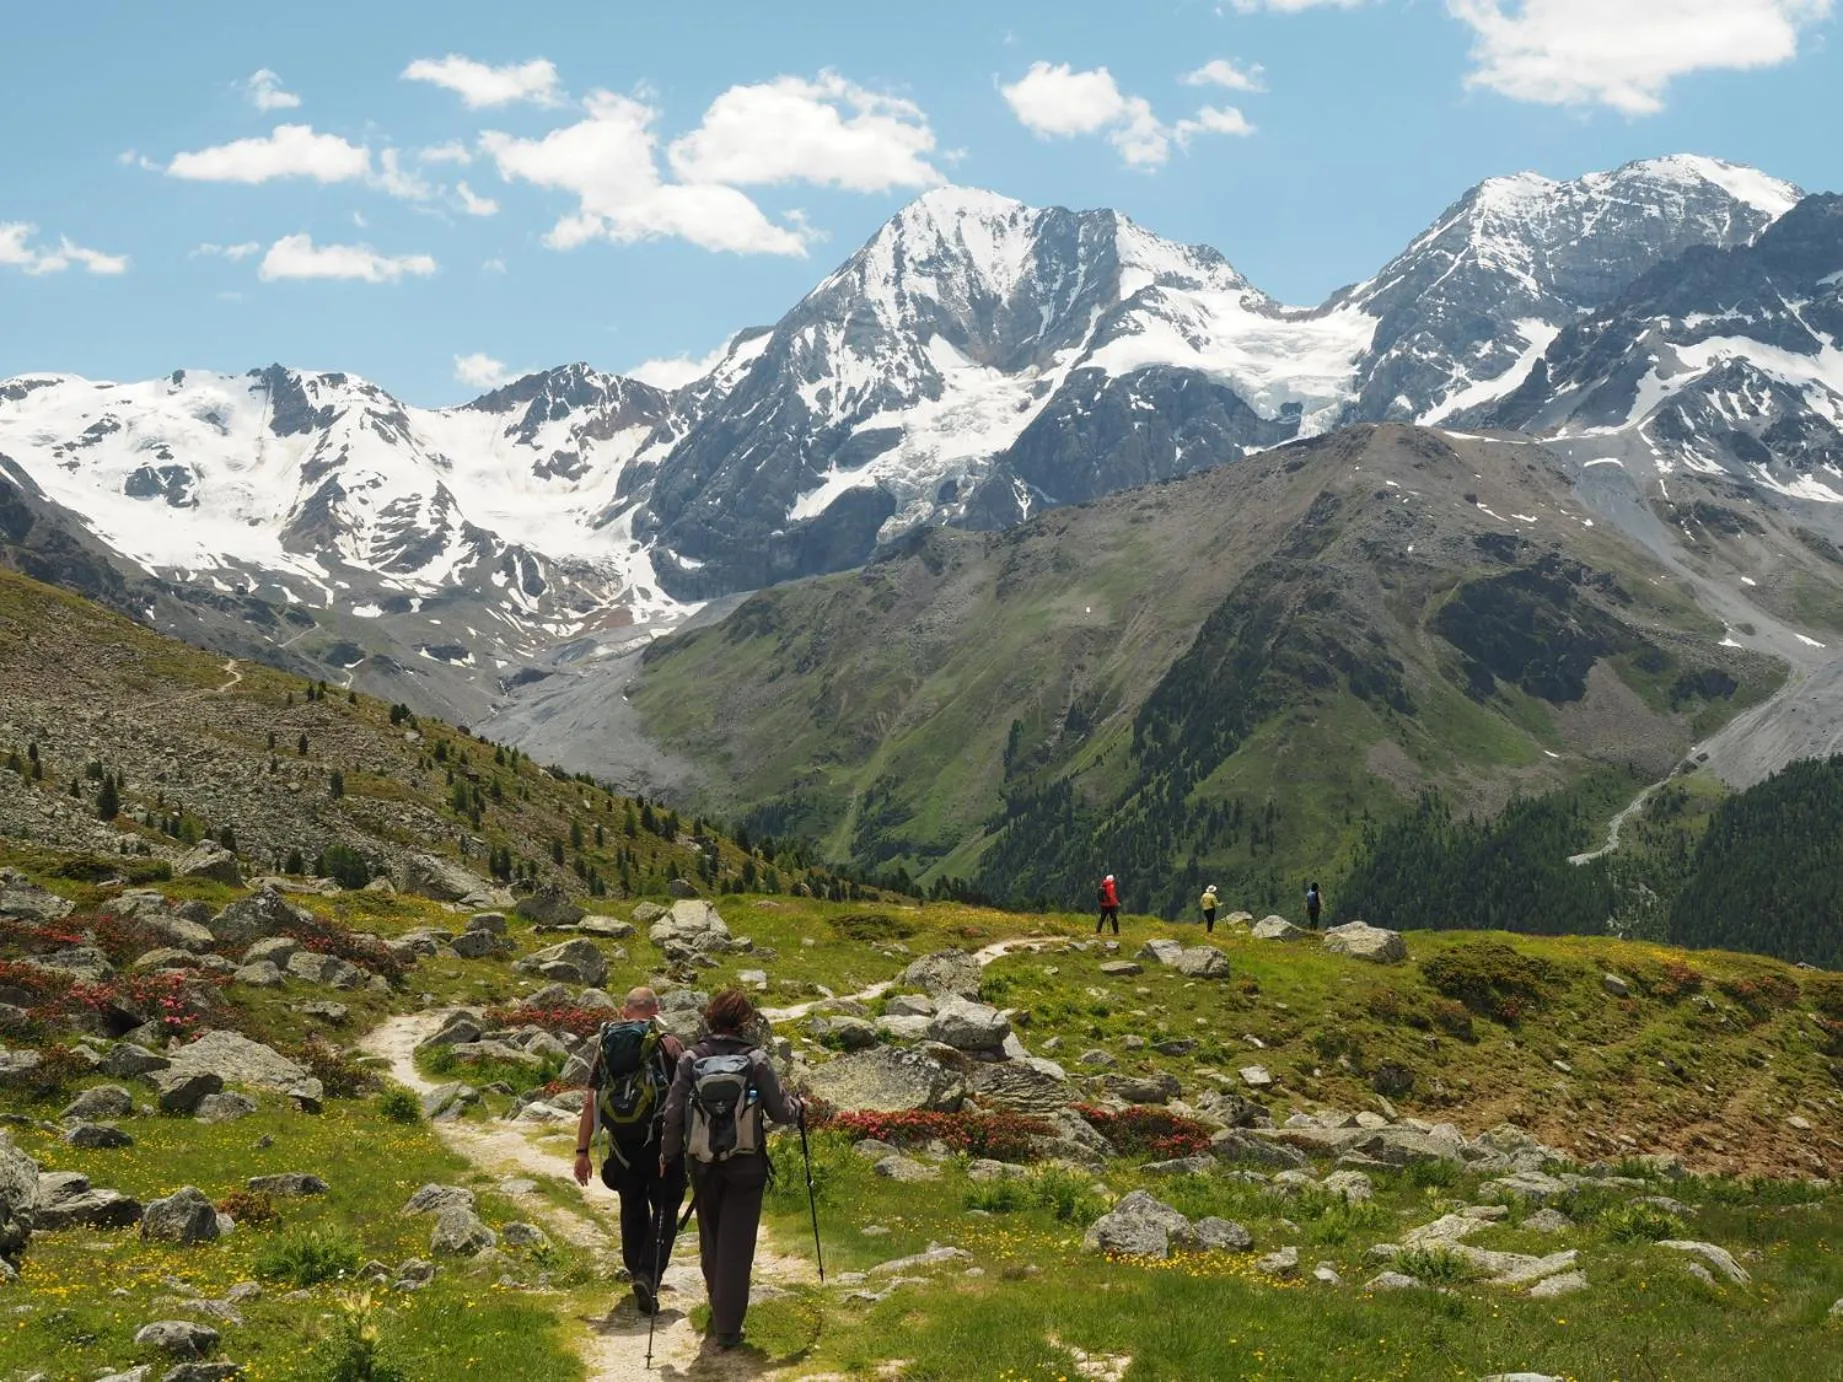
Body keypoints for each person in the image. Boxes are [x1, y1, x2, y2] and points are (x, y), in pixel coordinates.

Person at [660, 987, 803, 1353]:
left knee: (711, 1237)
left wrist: (668, 1155)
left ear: (710, 1017)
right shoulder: (755, 1059)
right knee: (737, 1244)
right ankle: (728, 1326)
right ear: (744, 1021)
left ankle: (717, 1303)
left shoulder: (691, 1058)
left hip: (702, 1164)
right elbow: (781, 1112)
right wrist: (798, 1106)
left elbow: (673, 1112)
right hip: (746, 1164)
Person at [572, 987, 687, 1317]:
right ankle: (648, 1275)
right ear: (656, 1009)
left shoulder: (607, 1046)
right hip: (662, 1145)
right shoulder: (668, 1044)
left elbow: (591, 1102)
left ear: (625, 1010)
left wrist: (582, 1151)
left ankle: (636, 1267)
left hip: (622, 1146)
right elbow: (683, 1098)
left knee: (631, 1204)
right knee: (665, 1207)